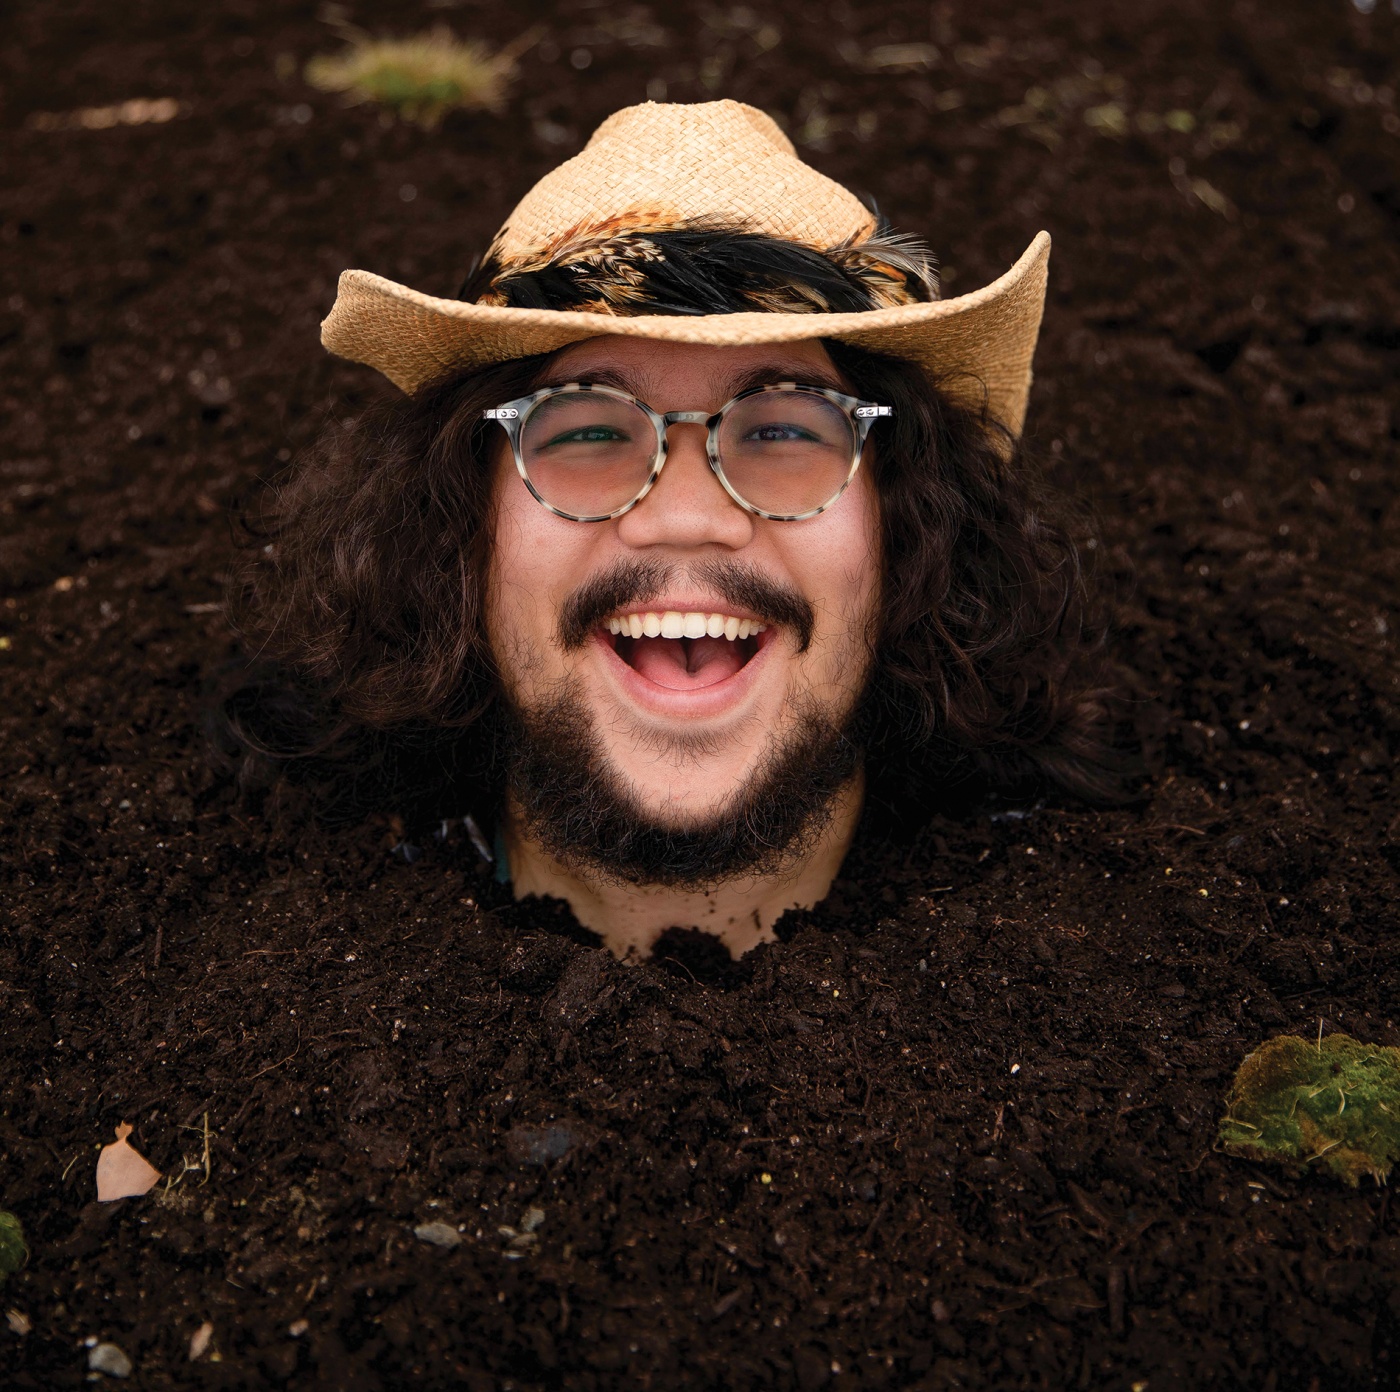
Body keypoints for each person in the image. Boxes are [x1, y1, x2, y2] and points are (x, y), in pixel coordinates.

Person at [220, 100, 1117, 960]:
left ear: (910, 525)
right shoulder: (260, 920)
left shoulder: (1089, 937)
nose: (687, 517)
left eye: (781, 430)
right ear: (459, 522)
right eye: (589, 430)